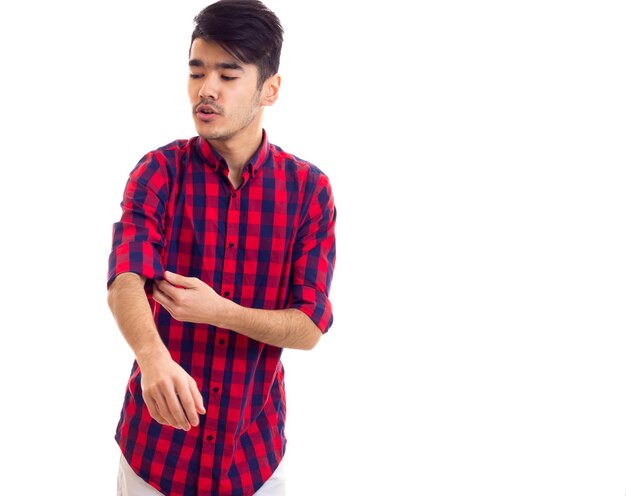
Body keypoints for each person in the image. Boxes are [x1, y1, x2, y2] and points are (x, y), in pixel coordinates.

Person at [106, 1, 337, 494]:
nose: (205, 89)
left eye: (228, 75)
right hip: (155, 457)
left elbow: (309, 325)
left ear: (269, 89)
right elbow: (126, 276)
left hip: (252, 460)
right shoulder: (158, 172)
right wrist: (152, 356)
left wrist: (221, 312)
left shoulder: (308, 191)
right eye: (196, 72)